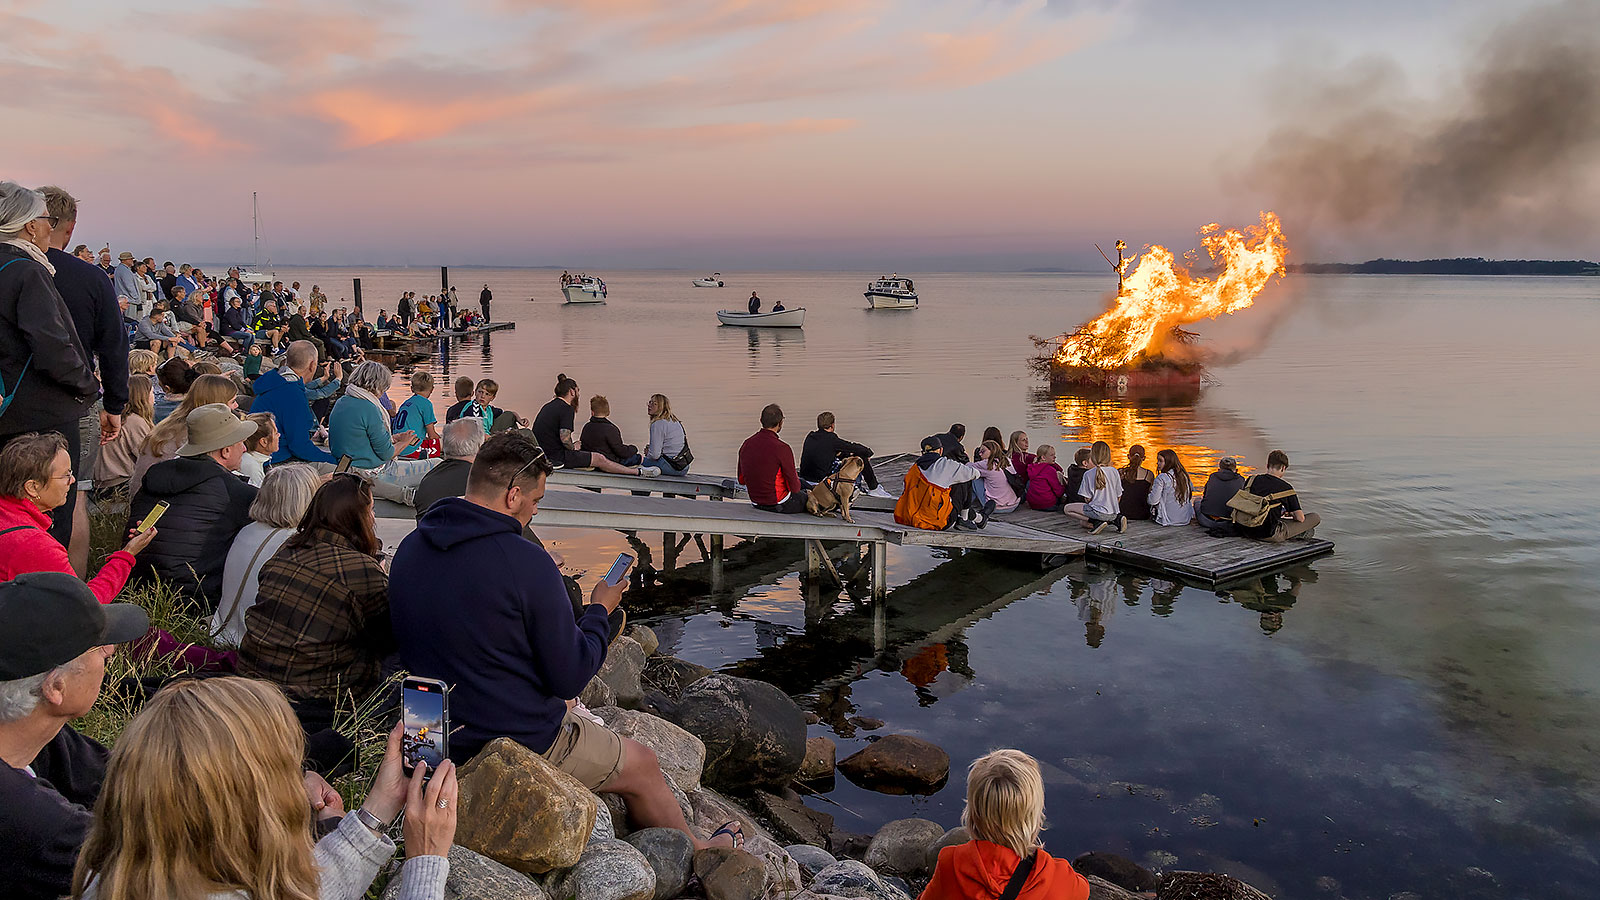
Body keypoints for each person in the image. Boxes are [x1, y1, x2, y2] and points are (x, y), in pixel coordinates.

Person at [389, 432, 740, 852]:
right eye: (536, 500)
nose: (536, 512)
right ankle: (699, 850)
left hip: (427, 732)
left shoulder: (411, 548)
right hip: (504, 736)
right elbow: (570, 676)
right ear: (513, 495)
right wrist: (599, 611)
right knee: (644, 764)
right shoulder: (525, 563)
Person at [69, 677, 454, 900]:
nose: (296, 784)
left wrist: (379, 809)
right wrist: (425, 863)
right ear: (250, 810)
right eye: (287, 771)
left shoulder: (113, 880)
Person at [0, 572, 150, 900]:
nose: (110, 651)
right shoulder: (32, 820)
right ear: (55, 686)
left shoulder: (33, 733)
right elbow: (146, 874)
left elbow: (115, 775)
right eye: (96, 647)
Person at [238, 475, 396, 722]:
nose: (373, 519)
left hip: (253, 684)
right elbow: (388, 638)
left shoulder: (289, 548)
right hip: (313, 701)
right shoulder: (361, 569)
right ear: (355, 517)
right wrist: (382, 577)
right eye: (371, 511)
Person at [0, 183, 101, 554]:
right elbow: (52, 344)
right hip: (41, 414)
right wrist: (88, 386)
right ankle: (47, 595)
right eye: (46, 220)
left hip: (7, 409)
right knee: (50, 512)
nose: (49, 226)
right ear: (29, 226)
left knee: (7, 512)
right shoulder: (27, 270)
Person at [126, 404, 260, 610]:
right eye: (241, 443)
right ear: (225, 451)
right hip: (192, 603)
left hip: (132, 587)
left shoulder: (157, 474)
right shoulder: (235, 492)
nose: (244, 448)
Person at [0, 432, 157, 602]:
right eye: (65, 475)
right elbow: (86, 604)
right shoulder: (35, 545)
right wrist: (127, 554)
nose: (73, 480)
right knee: (133, 617)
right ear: (32, 487)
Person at [919, 749, 1090, 900]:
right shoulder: (1058, 878)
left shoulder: (950, 865)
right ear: (1035, 815)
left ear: (972, 814)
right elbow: (1084, 890)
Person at [214, 463, 320, 648]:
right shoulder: (295, 543)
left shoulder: (247, 531)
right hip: (255, 645)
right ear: (307, 500)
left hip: (224, 634)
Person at [127, 373, 238, 498]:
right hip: (159, 503)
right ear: (218, 403)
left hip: (142, 501)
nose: (236, 406)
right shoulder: (193, 433)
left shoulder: (172, 423)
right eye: (233, 401)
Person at [532, 374, 658, 476]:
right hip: (556, 457)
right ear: (572, 391)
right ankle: (637, 472)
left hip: (544, 453)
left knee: (587, 451)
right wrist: (573, 447)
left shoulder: (549, 406)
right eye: (578, 391)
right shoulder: (566, 408)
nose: (578, 394)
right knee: (599, 458)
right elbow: (564, 437)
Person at [251, 340, 337, 466]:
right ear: (312, 365)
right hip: (276, 461)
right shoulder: (292, 393)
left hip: (263, 456)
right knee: (339, 471)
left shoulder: (275, 382)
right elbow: (300, 447)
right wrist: (335, 461)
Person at [330, 360, 417, 470]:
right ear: (379, 386)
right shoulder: (369, 408)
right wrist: (405, 441)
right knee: (435, 463)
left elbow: (360, 438)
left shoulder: (342, 401)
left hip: (344, 465)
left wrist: (393, 438)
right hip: (366, 470)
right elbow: (387, 454)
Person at [895, 435, 986, 530]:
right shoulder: (947, 465)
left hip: (908, 518)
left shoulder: (914, 469)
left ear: (922, 452)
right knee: (964, 480)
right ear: (941, 450)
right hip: (935, 522)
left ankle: (973, 517)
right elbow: (975, 474)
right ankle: (964, 519)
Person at [90, 376, 155, 497]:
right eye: (152, 392)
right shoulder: (135, 422)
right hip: (119, 484)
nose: (154, 396)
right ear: (143, 395)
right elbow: (148, 457)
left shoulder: (112, 417)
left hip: (98, 484)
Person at [799, 411, 889, 497]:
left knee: (842, 454)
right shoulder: (832, 439)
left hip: (805, 478)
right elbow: (854, 447)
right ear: (832, 425)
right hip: (820, 481)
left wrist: (845, 453)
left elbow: (831, 450)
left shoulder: (810, 436)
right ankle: (874, 489)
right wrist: (868, 453)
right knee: (860, 456)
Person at [1240, 449, 1321, 542]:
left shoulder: (1251, 480)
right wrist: (1291, 513)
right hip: (1267, 534)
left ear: (1267, 465)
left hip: (1244, 529)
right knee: (1314, 518)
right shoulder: (1286, 488)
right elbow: (1300, 518)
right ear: (1283, 468)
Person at [738, 403, 804, 512]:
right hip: (778, 504)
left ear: (761, 420)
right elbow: (795, 488)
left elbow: (741, 479)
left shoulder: (746, 444)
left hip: (755, 502)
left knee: (803, 483)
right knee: (806, 494)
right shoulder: (783, 448)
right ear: (780, 423)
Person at [1063, 440, 1126, 534]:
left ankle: (1096, 522)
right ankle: (1116, 520)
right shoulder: (1114, 471)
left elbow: (1087, 499)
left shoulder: (1088, 474)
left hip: (1098, 512)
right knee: (1083, 523)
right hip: (1113, 512)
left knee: (1067, 509)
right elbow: (1119, 495)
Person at [579, 395, 638, 465]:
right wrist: (634, 448)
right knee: (637, 458)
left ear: (592, 412)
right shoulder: (611, 429)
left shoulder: (586, 427)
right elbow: (621, 451)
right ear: (608, 412)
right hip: (609, 462)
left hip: (590, 461)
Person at [641, 393, 691, 475]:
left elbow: (654, 455)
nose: (649, 405)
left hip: (671, 467)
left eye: (654, 404)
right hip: (683, 467)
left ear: (661, 407)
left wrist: (648, 454)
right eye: (650, 402)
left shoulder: (657, 424)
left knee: (636, 462)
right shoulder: (674, 421)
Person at [969, 440, 1020, 514]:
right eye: (979, 451)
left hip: (995, 507)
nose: (980, 454)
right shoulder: (1007, 460)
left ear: (992, 451)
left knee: (975, 476)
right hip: (1013, 505)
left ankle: (968, 504)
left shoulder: (986, 464)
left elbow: (967, 467)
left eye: (983, 451)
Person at [393, 371, 441, 446]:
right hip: (412, 448)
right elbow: (432, 435)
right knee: (444, 444)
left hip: (397, 445)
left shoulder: (406, 403)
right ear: (432, 389)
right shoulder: (426, 403)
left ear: (412, 389)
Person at [1198, 456, 1244, 532]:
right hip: (1229, 522)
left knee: (1197, 501)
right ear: (1236, 470)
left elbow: (1205, 495)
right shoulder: (1241, 480)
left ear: (1219, 469)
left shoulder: (1213, 476)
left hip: (1206, 521)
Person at [1150, 449, 1194, 526]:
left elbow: (1153, 501)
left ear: (1168, 462)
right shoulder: (1184, 476)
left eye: (1160, 461)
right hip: (1185, 519)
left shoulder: (1162, 477)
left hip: (1168, 519)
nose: (1157, 463)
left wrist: (1149, 495)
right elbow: (1191, 491)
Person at [238, 411, 278, 487]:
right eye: (275, 433)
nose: (279, 435)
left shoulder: (253, 460)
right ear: (264, 441)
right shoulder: (251, 466)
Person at [1022, 444, 1067, 511]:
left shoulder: (1031, 468)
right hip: (1048, 505)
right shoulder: (1049, 470)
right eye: (1052, 455)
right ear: (1043, 458)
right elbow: (1058, 492)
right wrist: (1064, 486)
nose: (1055, 457)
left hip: (1033, 504)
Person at [1118, 444, 1154, 521]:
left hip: (1123, 513)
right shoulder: (1149, 474)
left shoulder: (1120, 472)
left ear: (1128, 456)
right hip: (1143, 514)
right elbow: (1150, 493)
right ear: (1144, 458)